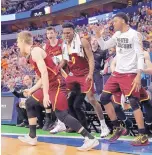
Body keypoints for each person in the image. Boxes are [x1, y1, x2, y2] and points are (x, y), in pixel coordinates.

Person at [17, 31, 99, 151]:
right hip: (50, 84)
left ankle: (90, 138)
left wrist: (45, 95)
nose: (17, 45)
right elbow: (44, 75)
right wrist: (32, 89)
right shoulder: (32, 54)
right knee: (30, 103)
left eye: (18, 42)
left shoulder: (35, 51)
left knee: (61, 114)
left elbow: (45, 73)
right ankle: (32, 136)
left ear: (23, 41)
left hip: (57, 84)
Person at [92, 12, 149, 146]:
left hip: (130, 73)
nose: (113, 24)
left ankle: (142, 135)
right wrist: (99, 36)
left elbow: (140, 56)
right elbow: (105, 46)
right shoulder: (117, 35)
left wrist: (138, 75)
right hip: (117, 73)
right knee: (104, 98)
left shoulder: (134, 35)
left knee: (134, 102)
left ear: (123, 21)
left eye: (115, 21)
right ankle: (118, 127)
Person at [59, 22, 110, 138]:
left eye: (68, 33)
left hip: (85, 73)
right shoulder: (64, 44)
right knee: (60, 94)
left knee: (91, 98)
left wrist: (91, 74)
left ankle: (103, 126)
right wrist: (55, 68)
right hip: (73, 74)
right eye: (64, 33)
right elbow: (65, 61)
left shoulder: (82, 41)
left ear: (73, 31)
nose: (66, 35)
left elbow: (91, 58)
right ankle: (61, 123)